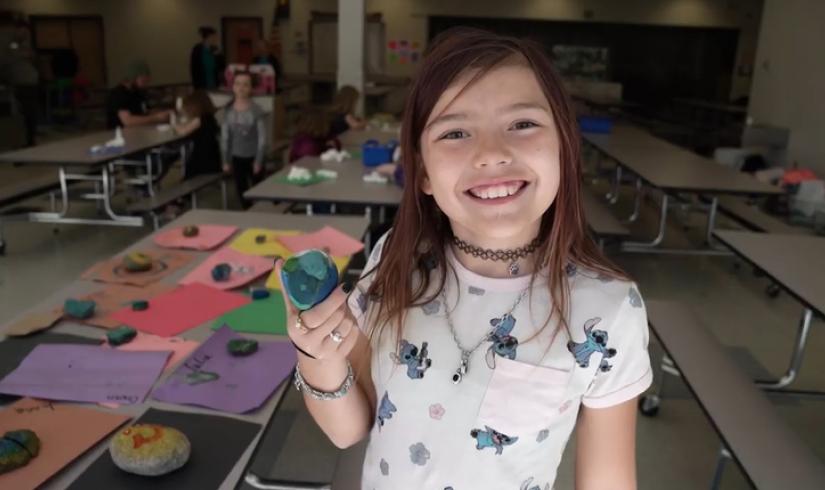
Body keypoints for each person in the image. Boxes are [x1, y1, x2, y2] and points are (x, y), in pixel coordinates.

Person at [274, 27, 652, 490]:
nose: (491, 154)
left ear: (564, 146)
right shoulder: (397, 257)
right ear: (424, 173)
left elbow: (608, 481)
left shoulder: (608, 309)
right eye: (455, 132)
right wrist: (316, 356)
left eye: (523, 124)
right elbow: (348, 428)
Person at [221, 71, 267, 209]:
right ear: (233, 87)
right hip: (237, 157)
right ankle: (247, 213)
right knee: (241, 190)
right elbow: (225, 137)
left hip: (254, 156)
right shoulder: (228, 111)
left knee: (258, 190)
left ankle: (260, 213)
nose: (241, 88)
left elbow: (262, 138)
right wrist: (225, 160)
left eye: (246, 85)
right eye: (238, 84)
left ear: (251, 88)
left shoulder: (256, 110)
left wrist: (258, 160)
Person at [105, 60, 170, 129]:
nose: (146, 84)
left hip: (140, 133)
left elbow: (146, 111)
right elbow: (128, 121)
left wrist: (165, 113)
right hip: (121, 136)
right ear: (133, 78)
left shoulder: (138, 92)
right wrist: (157, 118)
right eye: (143, 81)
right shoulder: (118, 94)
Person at [174, 90, 221, 178]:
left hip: (202, 161)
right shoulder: (210, 119)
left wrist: (175, 125)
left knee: (187, 169)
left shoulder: (199, 120)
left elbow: (182, 132)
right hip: (213, 159)